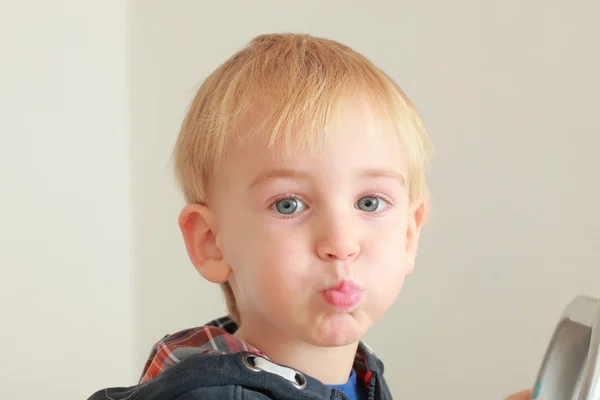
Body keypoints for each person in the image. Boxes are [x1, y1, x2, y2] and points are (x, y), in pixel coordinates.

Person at [88, 33, 533, 400]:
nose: (341, 243)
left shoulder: (359, 372)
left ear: (409, 236)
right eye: (289, 204)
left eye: (370, 203)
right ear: (211, 241)